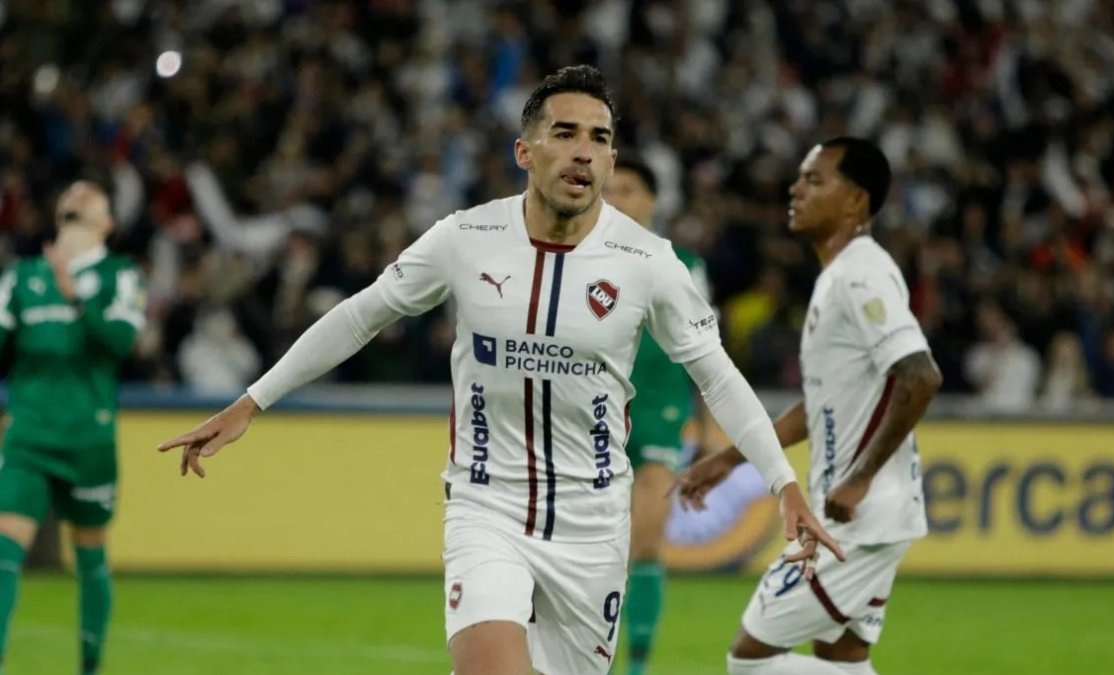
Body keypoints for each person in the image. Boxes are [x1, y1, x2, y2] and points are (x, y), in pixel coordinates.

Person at [156, 65, 844, 675]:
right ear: (525, 151)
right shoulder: (465, 237)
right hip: (487, 507)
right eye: (566, 132)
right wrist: (252, 400)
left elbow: (719, 376)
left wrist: (783, 482)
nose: (584, 150)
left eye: (600, 138)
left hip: (594, 525)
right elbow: (363, 314)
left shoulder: (650, 263)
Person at [679, 138, 943, 675]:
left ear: (856, 202)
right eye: (800, 178)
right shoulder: (836, 277)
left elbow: (919, 374)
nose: (796, 189)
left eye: (816, 180)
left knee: (748, 662)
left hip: (859, 519)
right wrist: (730, 460)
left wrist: (861, 478)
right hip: (865, 516)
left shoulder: (860, 274)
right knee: (841, 660)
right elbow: (820, 401)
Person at [0, 181, 147, 675]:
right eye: (74, 191)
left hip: (89, 438)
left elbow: (122, 341)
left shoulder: (118, 275)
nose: (81, 192)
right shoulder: (21, 277)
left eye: (95, 195)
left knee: (89, 558)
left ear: (107, 224)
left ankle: (89, 666)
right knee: (3, 551)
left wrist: (76, 297)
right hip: (29, 436)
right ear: (61, 211)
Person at [603, 157, 713, 675]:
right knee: (587, 546)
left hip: (657, 406)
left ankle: (637, 666)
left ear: (651, 201)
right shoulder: (575, 256)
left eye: (627, 190)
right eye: (610, 190)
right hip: (591, 406)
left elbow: (706, 350)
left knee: (645, 537)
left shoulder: (682, 263)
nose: (617, 199)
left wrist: (709, 430)